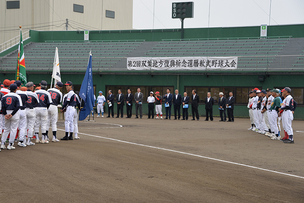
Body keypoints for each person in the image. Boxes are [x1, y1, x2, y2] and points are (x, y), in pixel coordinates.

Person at [1, 83, 22, 150]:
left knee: (6, 129)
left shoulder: (4, 96)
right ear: (16, 89)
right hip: (14, 113)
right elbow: (18, 106)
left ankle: (2, 144)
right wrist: (12, 114)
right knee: (13, 129)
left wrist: (5, 114)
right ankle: (10, 144)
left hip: (6, 112)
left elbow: (2, 107)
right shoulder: (17, 96)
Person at [25, 82, 39, 146]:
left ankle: (24, 140)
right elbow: (37, 103)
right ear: (31, 87)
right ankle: (29, 141)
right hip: (31, 110)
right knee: (31, 126)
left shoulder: (24, 93)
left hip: (24, 109)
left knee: (24, 126)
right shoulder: (34, 94)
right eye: (32, 86)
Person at [15, 80, 28, 147]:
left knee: (13, 126)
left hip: (14, 111)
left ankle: (11, 140)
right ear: (19, 86)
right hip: (22, 110)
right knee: (23, 126)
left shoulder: (12, 92)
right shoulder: (24, 93)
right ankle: (21, 141)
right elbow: (26, 100)